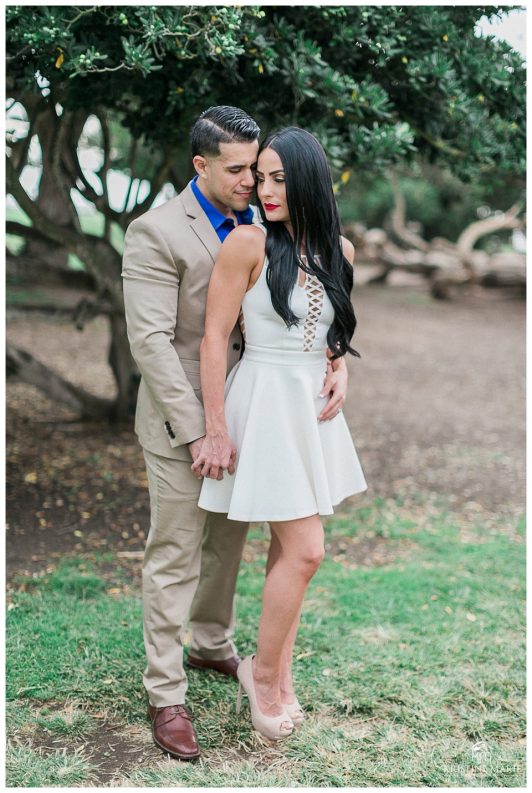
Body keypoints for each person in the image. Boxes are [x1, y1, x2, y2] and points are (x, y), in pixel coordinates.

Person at [122, 109, 348, 759]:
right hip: (179, 420)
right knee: (176, 551)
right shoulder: (156, 231)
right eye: (239, 169)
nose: (253, 180)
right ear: (202, 166)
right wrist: (201, 430)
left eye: (260, 168)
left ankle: (213, 641)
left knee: (227, 543)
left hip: (253, 416)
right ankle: (166, 693)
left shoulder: (261, 223)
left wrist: (335, 367)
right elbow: (153, 342)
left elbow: (308, 304)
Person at [194, 127, 367, 741]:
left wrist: (339, 366)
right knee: (307, 550)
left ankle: (279, 677)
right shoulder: (246, 243)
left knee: (286, 549)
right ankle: (261, 678)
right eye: (258, 178)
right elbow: (214, 337)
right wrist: (215, 428)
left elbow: (327, 331)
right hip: (262, 402)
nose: (263, 190)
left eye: (277, 180)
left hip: (309, 411)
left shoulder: (339, 250)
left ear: (309, 182)